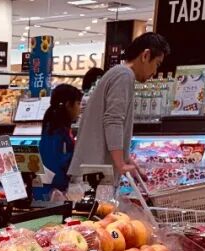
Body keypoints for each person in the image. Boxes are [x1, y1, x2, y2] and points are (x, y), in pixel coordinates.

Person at [68, 32, 169, 182]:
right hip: (96, 173)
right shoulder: (124, 75)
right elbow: (113, 120)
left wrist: (129, 162)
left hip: (91, 170)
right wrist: (120, 164)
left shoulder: (118, 73)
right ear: (146, 55)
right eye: (157, 64)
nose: (155, 72)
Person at [39, 83, 83, 194]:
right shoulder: (58, 132)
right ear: (68, 105)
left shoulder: (51, 126)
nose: (80, 108)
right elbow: (59, 163)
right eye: (78, 103)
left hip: (48, 189)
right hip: (55, 191)